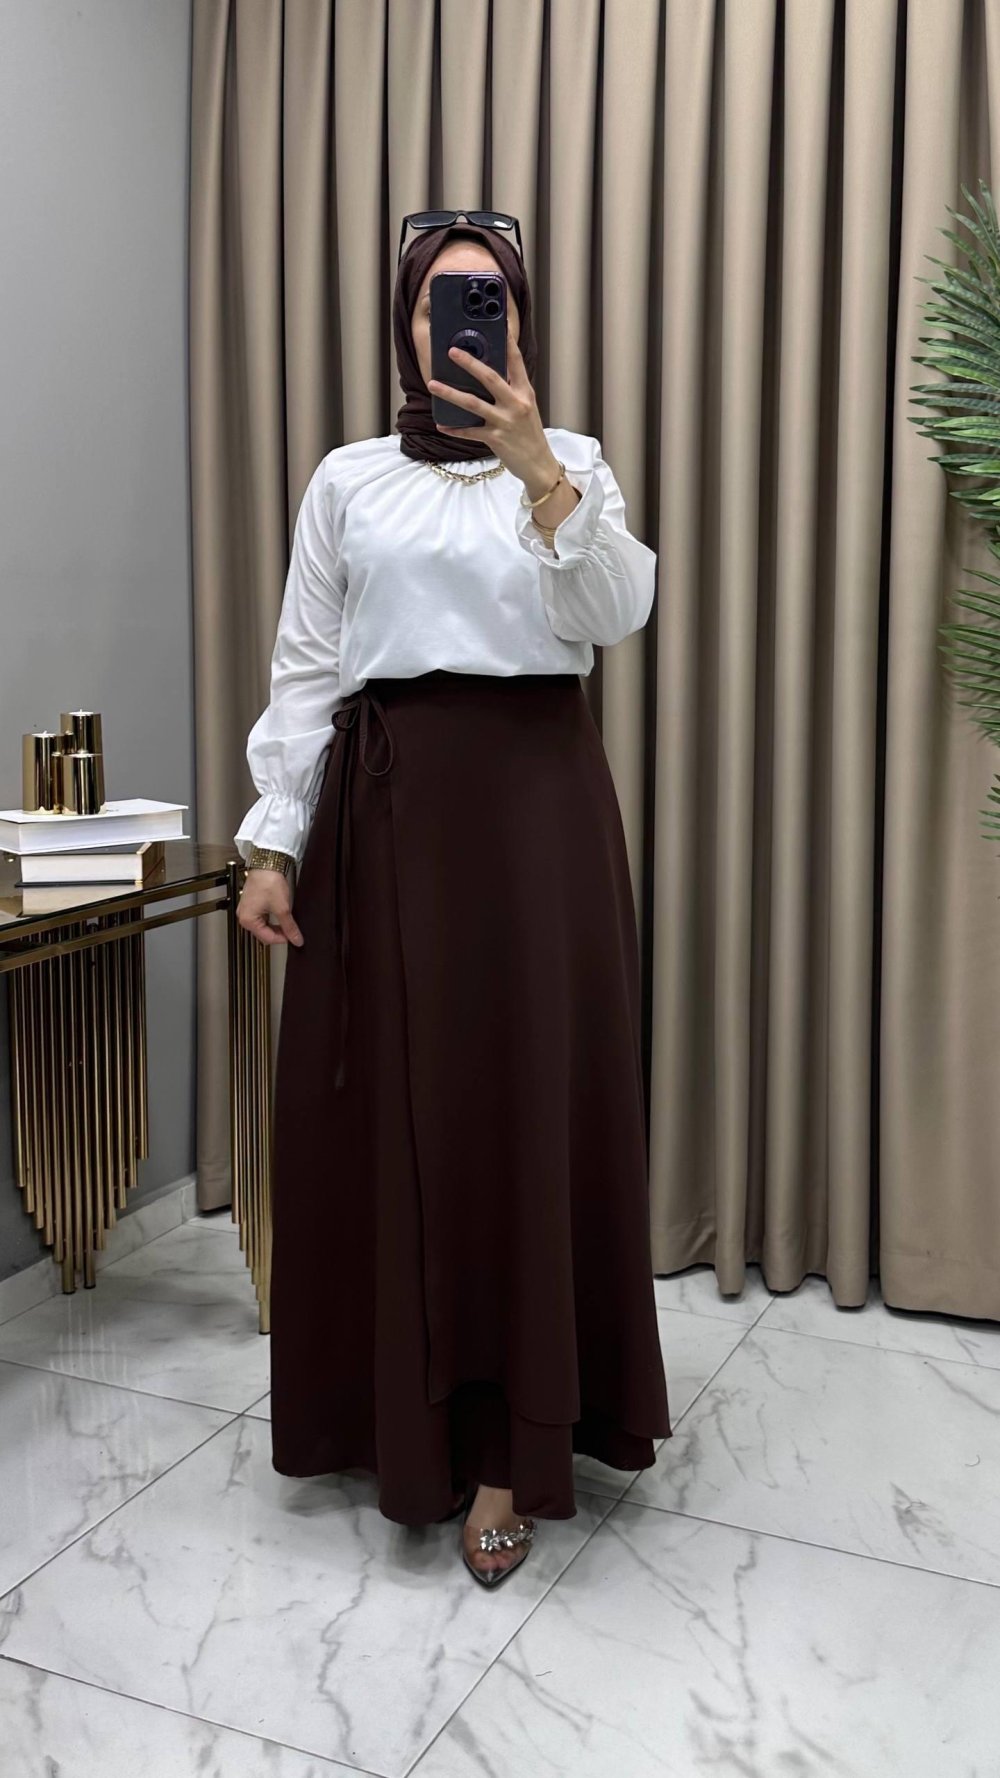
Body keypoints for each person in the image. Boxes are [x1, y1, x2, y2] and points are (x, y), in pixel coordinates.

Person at [235, 211, 672, 1588]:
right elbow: (309, 664)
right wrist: (272, 841)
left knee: (519, 1116)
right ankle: (398, 1423)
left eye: (489, 299)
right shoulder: (350, 479)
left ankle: (506, 1451)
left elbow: (616, 612)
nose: (463, 320)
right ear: (406, 325)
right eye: (441, 300)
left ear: (520, 326)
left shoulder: (572, 463)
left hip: (536, 827)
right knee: (390, 1118)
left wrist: (541, 471)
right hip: (383, 818)